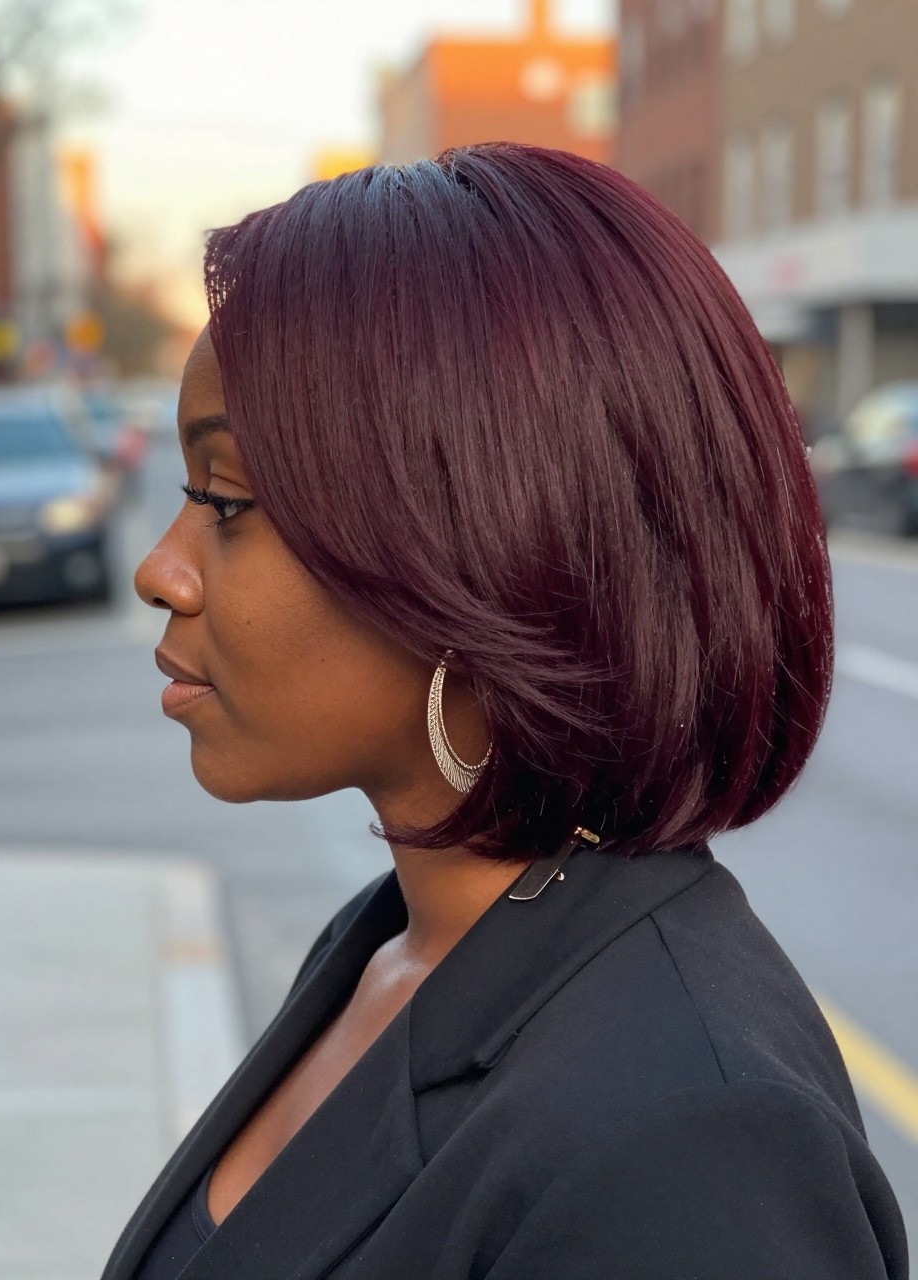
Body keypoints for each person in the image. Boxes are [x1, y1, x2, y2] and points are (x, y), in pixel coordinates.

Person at [102, 143, 908, 1280]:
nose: (161, 568)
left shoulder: (694, 1145)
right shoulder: (399, 940)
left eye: (225, 500)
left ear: (480, 557)